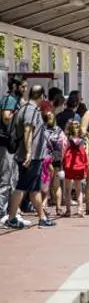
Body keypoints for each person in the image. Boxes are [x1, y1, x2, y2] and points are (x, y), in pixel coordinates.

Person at [4, 85, 56, 229]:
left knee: (33, 189)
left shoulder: (25, 109)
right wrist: (28, 153)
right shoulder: (30, 111)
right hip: (30, 157)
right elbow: (28, 131)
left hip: (33, 156)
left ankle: (41, 218)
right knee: (23, 187)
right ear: (42, 96)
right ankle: (13, 217)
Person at [0, 78, 30, 226]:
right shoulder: (10, 100)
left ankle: (11, 211)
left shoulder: (14, 100)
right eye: (23, 86)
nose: (25, 89)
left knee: (12, 178)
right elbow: (6, 118)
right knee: (6, 179)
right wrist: (19, 111)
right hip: (7, 144)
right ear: (15, 87)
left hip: (12, 144)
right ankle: (2, 212)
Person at [63, 120, 88, 217]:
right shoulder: (83, 140)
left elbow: (64, 152)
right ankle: (80, 209)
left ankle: (68, 210)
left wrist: (62, 164)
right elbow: (86, 155)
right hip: (79, 166)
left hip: (69, 166)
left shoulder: (68, 139)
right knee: (79, 188)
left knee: (68, 188)